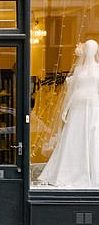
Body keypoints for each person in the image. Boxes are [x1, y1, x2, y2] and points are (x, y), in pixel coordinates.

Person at [38, 39, 99, 188]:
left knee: (92, 136)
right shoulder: (79, 70)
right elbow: (73, 92)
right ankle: (71, 170)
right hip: (78, 106)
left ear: (96, 51)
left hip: (93, 106)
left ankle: (92, 173)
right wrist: (65, 109)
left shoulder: (98, 69)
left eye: (93, 48)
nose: (90, 51)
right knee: (75, 137)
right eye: (88, 48)